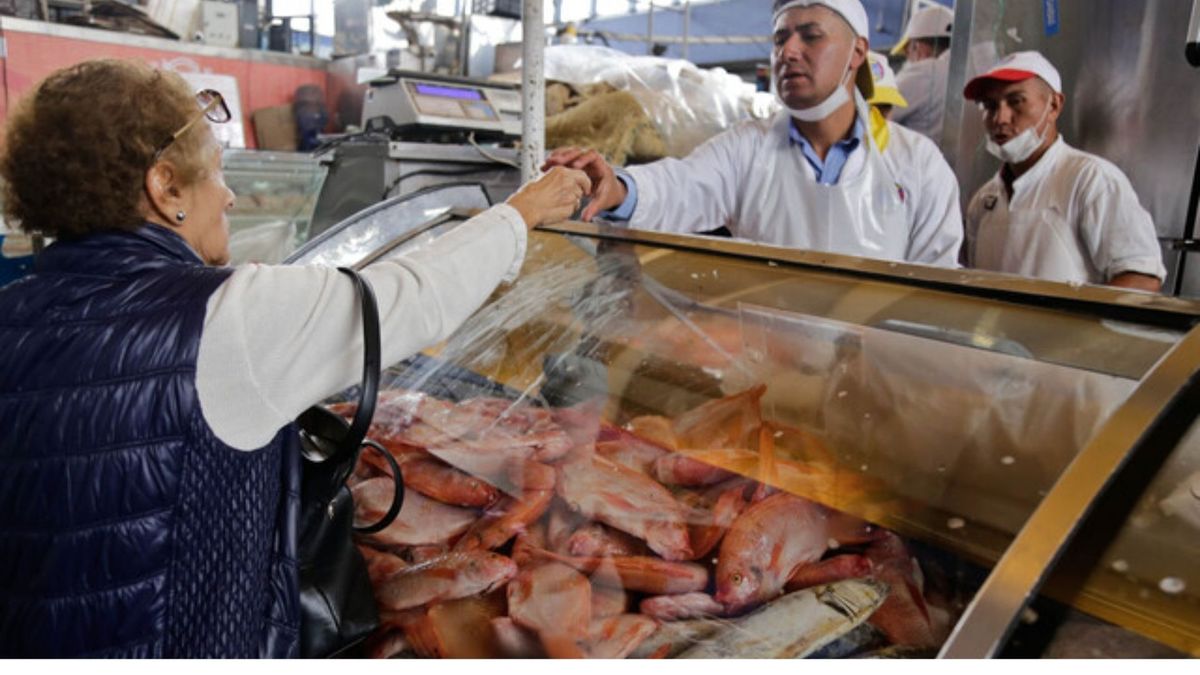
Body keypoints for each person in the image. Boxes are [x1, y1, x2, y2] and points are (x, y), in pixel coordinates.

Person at [0, 59, 589, 658]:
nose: (228, 197)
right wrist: (522, 213)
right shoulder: (226, 316)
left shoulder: (11, 309)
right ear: (165, 187)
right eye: (216, 174)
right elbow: (416, 295)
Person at [544, 0, 963, 268]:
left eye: (811, 36)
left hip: (875, 383)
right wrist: (618, 187)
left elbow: (938, 289)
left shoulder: (917, 164)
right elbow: (682, 185)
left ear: (858, 51)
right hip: (770, 377)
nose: (788, 51)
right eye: (780, 38)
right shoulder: (748, 147)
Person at [962, 51, 1166, 290]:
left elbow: (1142, 276)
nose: (1000, 118)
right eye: (990, 105)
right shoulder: (983, 201)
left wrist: (1084, 326)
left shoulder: (1091, 180)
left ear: (1054, 106)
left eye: (1016, 101)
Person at [889, 4, 953, 142]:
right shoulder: (961, 71)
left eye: (908, 53)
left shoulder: (925, 71)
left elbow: (872, 112)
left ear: (916, 46)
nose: (908, 60)